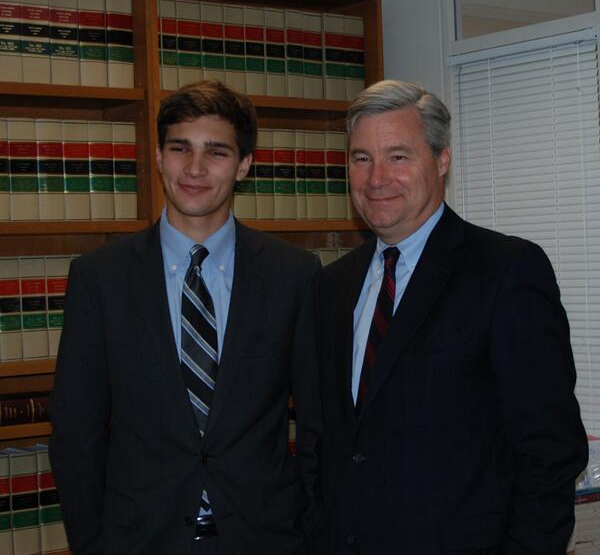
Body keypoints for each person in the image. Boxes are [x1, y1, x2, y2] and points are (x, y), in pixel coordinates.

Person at [316, 79, 588, 554]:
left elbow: (550, 452)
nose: (376, 178)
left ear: (442, 160)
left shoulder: (507, 272)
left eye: (398, 156)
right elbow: (329, 446)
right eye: (362, 158)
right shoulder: (332, 285)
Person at [49, 80, 321, 555]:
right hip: (138, 539)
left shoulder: (294, 274)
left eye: (216, 152)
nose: (194, 169)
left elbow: (320, 425)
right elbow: (76, 434)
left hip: (267, 537)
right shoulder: (99, 278)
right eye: (180, 149)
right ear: (158, 157)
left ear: (244, 166)